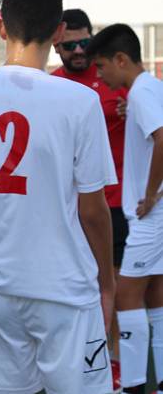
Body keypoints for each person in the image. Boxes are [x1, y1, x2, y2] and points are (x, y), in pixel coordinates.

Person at [0, 0, 116, 394]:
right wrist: (107, 283)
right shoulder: (80, 101)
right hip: (65, 292)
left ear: (0, 26)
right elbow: (93, 210)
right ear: (58, 32)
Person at [51, 8, 129, 389]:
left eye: (84, 42)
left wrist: (132, 112)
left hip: (116, 202)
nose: (79, 50)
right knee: (75, 287)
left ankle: (113, 362)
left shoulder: (115, 78)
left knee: (112, 285)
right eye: (70, 45)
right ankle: (76, 360)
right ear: (57, 46)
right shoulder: (51, 86)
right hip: (71, 208)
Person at [87, 23, 163, 394]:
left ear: (121, 59)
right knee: (157, 299)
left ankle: (132, 385)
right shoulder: (151, 88)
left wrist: (150, 193)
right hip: (156, 216)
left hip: (151, 217)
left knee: (126, 296)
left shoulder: (143, 93)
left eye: (102, 66)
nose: (100, 75)